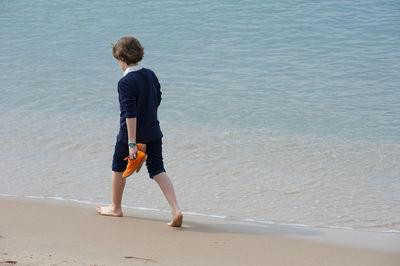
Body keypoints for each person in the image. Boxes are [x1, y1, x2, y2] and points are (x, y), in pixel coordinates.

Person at [96, 36, 183, 227]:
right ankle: (176, 210)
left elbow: (130, 114)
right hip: (153, 130)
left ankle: (115, 207)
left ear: (121, 58)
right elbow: (157, 98)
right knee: (158, 169)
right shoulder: (150, 74)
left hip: (130, 135)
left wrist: (132, 143)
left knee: (118, 168)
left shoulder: (125, 82)